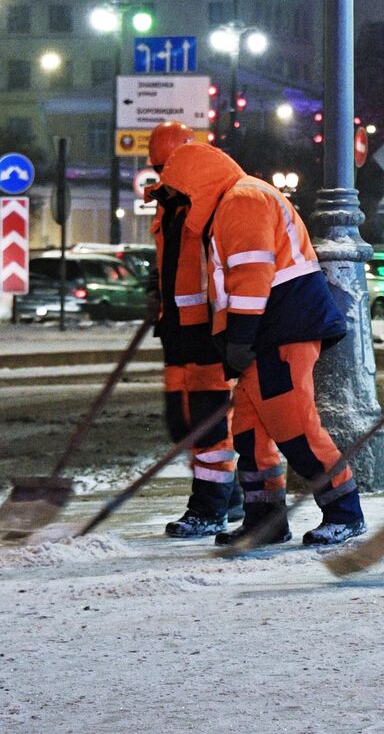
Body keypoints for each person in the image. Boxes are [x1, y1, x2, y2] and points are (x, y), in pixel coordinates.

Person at [157, 141, 366, 547]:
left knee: (295, 427)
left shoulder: (242, 200)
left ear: (196, 184)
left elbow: (251, 278)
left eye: (181, 194)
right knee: (250, 434)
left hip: (282, 329)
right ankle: (264, 519)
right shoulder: (234, 202)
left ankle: (345, 511)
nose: (180, 205)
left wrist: (239, 338)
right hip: (271, 332)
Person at [146, 121, 241, 538]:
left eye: (170, 168)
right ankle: (230, 492)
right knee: (182, 420)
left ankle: (210, 506)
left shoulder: (214, 203)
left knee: (208, 422)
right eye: (160, 170)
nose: (165, 178)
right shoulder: (167, 204)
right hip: (177, 329)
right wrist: (159, 290)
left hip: (204, 329)